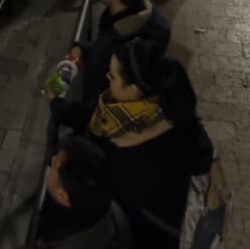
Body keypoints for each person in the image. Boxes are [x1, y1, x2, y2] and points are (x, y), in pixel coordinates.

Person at [90, 37, 215, 249]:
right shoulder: (172, 111)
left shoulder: (129, 149)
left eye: (112, 76)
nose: (107, 79)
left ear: (133, 90)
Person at [49, 0, 171, 133]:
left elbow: (95, 112)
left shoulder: (115, 53)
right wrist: (83, 48)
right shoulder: (149, 20)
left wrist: (56, 104)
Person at [34, 136, 132, 248]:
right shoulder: (112, 210)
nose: (52, 159)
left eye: (55, 164)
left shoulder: (58, 242)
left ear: (62, 196)